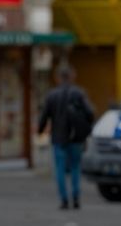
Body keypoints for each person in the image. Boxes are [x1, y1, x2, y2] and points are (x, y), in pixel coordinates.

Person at [37, 63, 98, 210]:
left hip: (58, 138)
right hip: (75, 138)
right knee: (76, 167)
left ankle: (64, 199)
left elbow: (44, 116)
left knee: (59, 169)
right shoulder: (79, 93)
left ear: (58, 77)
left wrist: (39, 131)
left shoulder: (52, 95)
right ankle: (76, 197)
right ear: (72, 76)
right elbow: (90, 113)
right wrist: (85, 127)